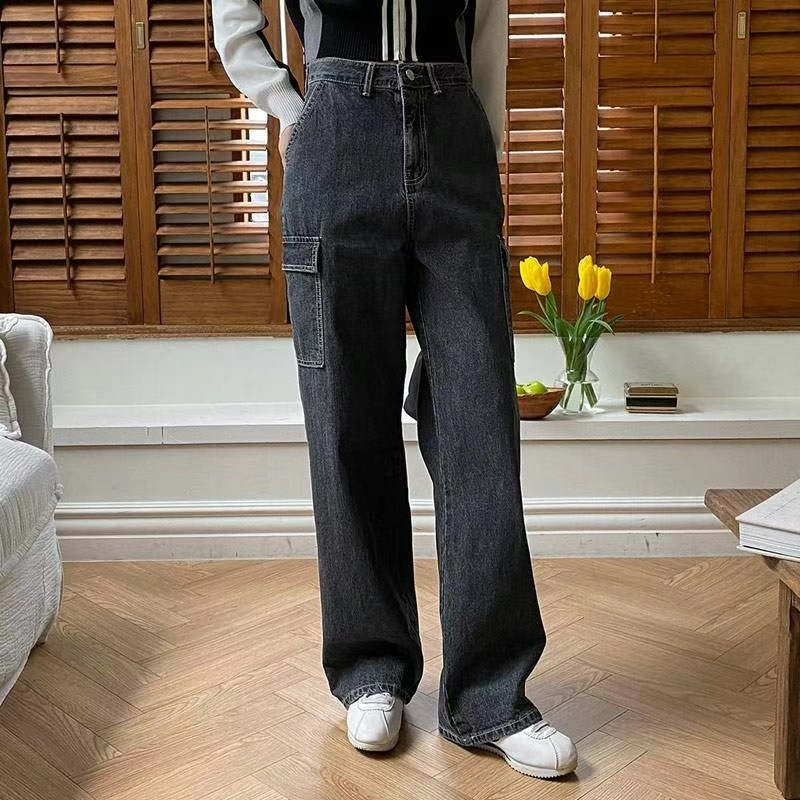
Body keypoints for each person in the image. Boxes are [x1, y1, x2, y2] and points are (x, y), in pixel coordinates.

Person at [211, 0, 578, 779]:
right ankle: (370, 670)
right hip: (335, 132)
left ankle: (490, 697)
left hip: (456, 136)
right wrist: (290, 109)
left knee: (480, 424)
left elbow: (489, 19)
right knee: (348, 420)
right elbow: (233, 12)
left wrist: (481, 136)